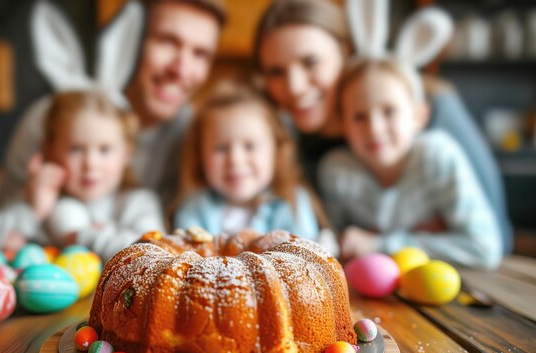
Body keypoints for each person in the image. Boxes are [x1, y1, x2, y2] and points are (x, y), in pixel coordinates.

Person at [254, 0, 513, 253]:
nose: (294, 86)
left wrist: (391, 243)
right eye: (276, 72)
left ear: (346, 52)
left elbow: (495, 237)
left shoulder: (433, 110)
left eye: (310, 62)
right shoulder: (287, 141)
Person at [317, 4, 502, 268]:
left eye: (389, 111)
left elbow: (484, 247)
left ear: (418, 116)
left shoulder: (438, 155)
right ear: (343, 124)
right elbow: (335, 243)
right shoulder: (336, 171)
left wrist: (381, 244)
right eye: (359, 117)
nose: (375, 128)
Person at [0, 0, 226, 209]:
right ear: (129, 42)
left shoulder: (193, 133)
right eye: (167, 42)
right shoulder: (53, 119)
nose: (181, 70)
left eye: (200, 54)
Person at [0, 91, 164, 262]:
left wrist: (80, 235)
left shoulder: (136, 203)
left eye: (105, 150)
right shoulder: (36, 201)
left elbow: (155, 256)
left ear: (127, 154)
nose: (91, 163)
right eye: (76, 149)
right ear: (50, 150)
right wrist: (31, 212)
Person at [172, 80, 336, 251]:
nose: (235, 159)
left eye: (250, 146)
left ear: (276, 150)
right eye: (221, 148)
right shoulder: (194, 208)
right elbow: (186, 259)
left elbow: (304, 259)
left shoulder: (292, 203)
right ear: (200, 155)